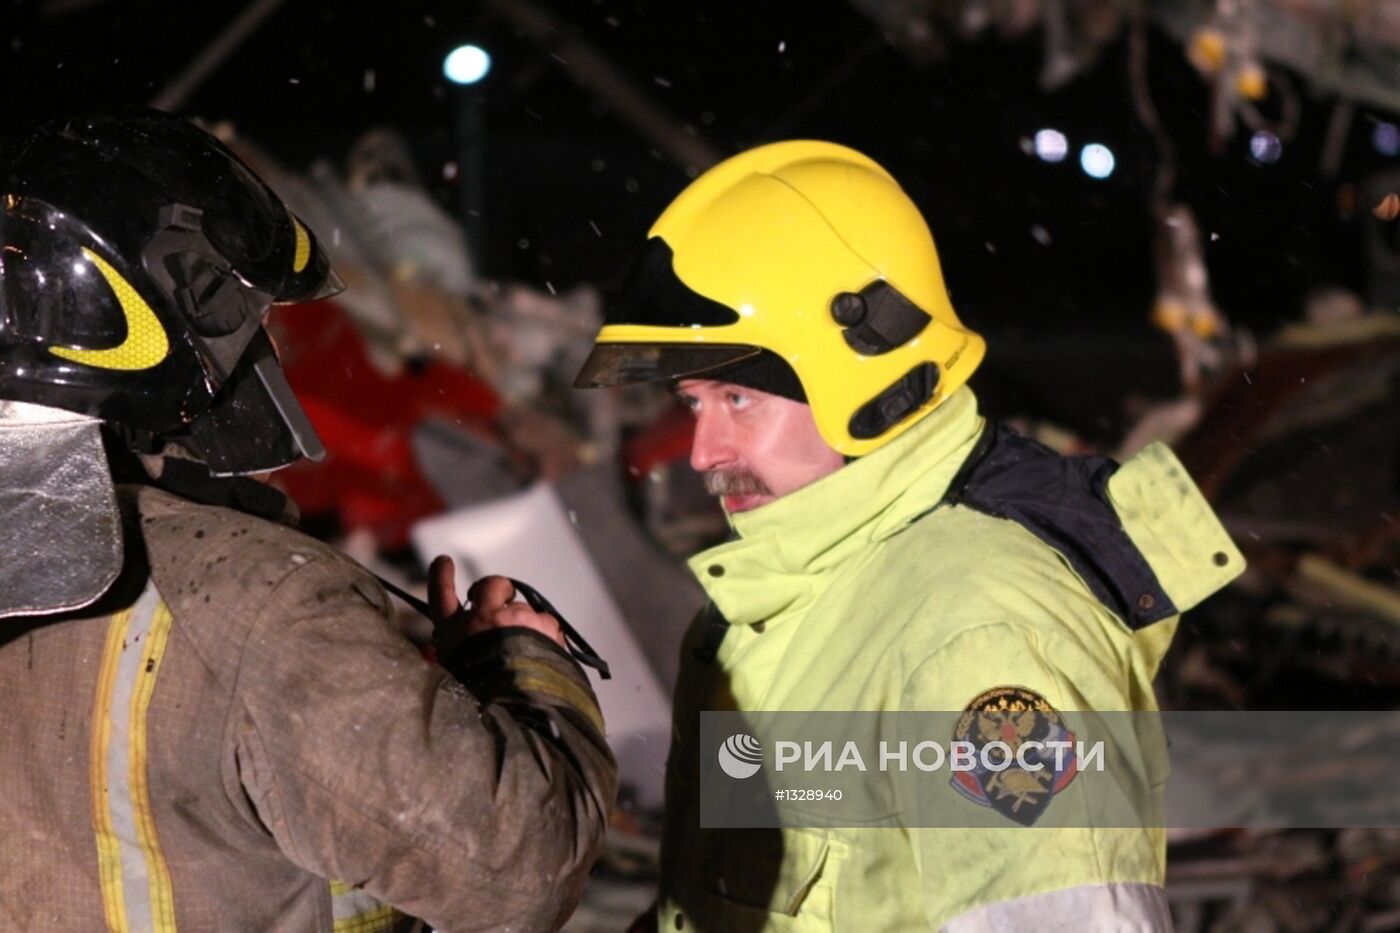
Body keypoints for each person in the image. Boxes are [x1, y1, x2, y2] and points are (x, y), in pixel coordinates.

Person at [575, 140, 1244, 931]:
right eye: (695, 404)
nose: (703, 453)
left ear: (866, 368)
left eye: (738, 399)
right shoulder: (797, 595)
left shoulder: (980, 635)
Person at [0, 111, 615, 931]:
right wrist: (525, 668)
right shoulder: (255, 602)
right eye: (246, 317)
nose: (263, 346)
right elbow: (516, 867)